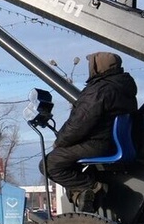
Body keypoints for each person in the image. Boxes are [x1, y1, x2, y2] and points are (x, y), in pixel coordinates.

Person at [42, 51, 138, 213]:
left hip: (97, 143)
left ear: (96, 67)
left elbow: (79, 123)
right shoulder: (123, 87)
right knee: (65, 163)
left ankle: (92, 188)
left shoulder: (99, 90)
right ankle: (84, 194)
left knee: (49, 164)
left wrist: (60, 141)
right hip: (111, 143)